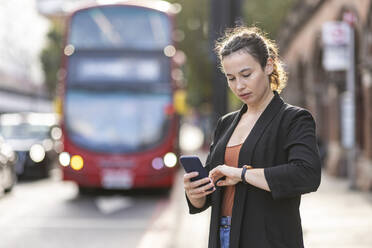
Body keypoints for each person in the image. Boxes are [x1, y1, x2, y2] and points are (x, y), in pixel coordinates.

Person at [183, 26, 321, 248]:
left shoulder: (294, 119)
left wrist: (242, 174)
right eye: (231, 78)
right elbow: (213, 188)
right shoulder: (226, 123)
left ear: (268, 65)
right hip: (222, 236)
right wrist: (195, 193)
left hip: (268, 239)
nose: (239, 86)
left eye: (246, 75)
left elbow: (307, 174)